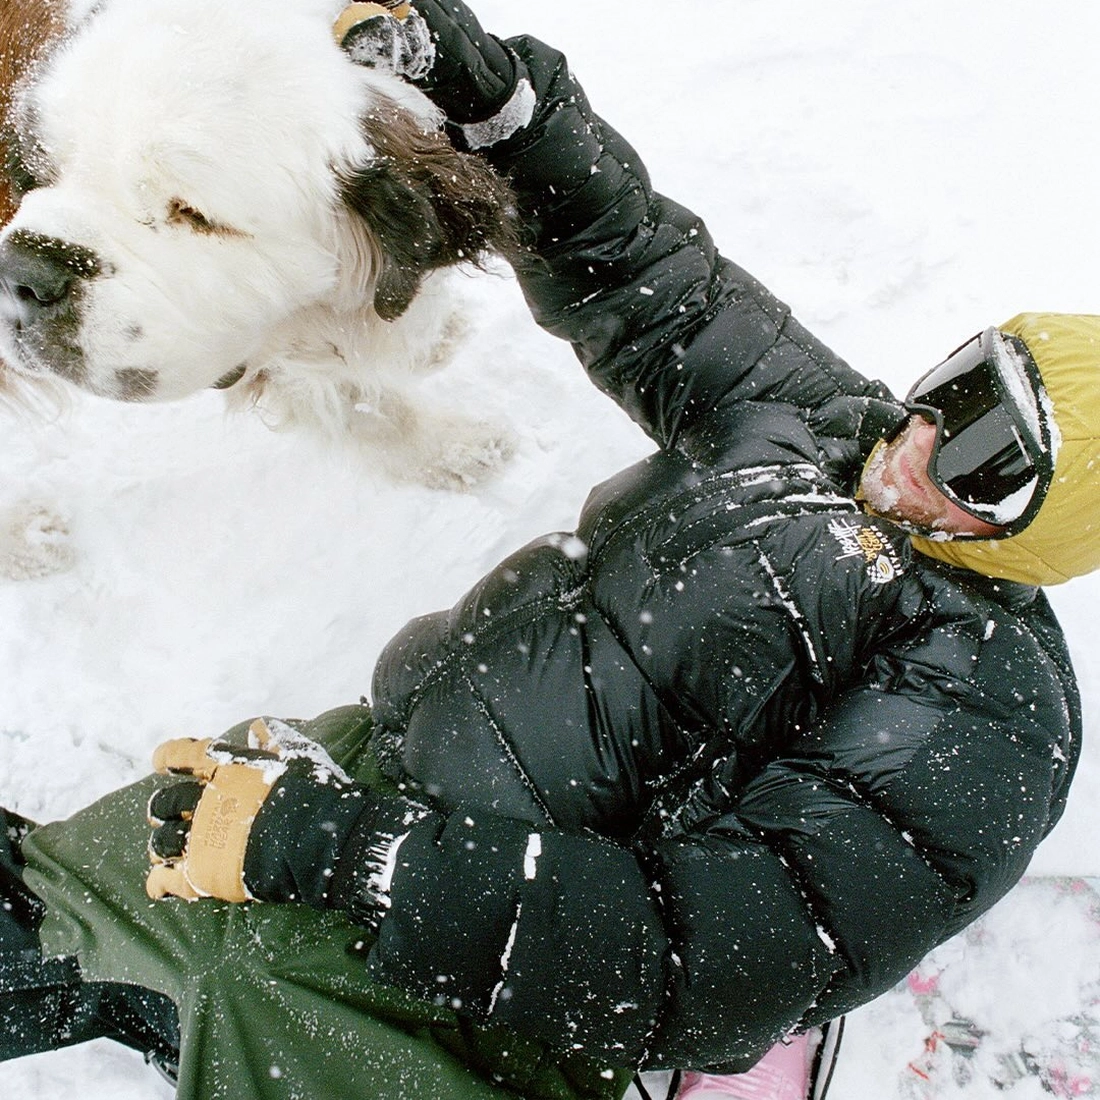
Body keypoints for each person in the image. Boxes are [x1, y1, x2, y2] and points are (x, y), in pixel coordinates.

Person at [2, 3, 1099, 1099]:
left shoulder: (985, 701)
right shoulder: (822, 426)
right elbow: (639, 269)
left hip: (498, 984)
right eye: (957, 390)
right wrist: (498, 107)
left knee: (236, 968)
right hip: (382, 771)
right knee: (59, 905)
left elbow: (718, 953)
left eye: (990, 461)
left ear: (1047, 535)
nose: (921, 445)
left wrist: (353, 854)